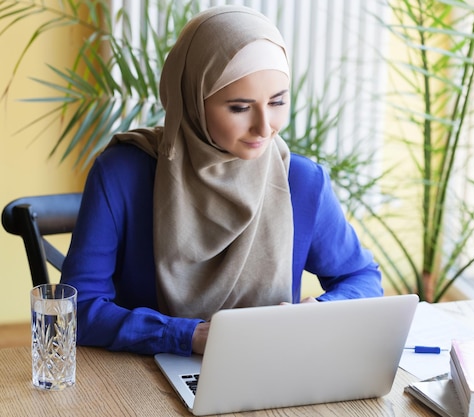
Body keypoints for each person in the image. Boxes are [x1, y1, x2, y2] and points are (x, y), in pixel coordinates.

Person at [60, 4, 383, 357]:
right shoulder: (123, 173)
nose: (264, 127)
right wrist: (187, 336)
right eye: (240, 108)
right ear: (192, 100)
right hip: (144, 377)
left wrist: (321, 310)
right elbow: (78, 309)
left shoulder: (301, 181)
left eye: (277, 102)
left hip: (270, 371)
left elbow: (363, 277)